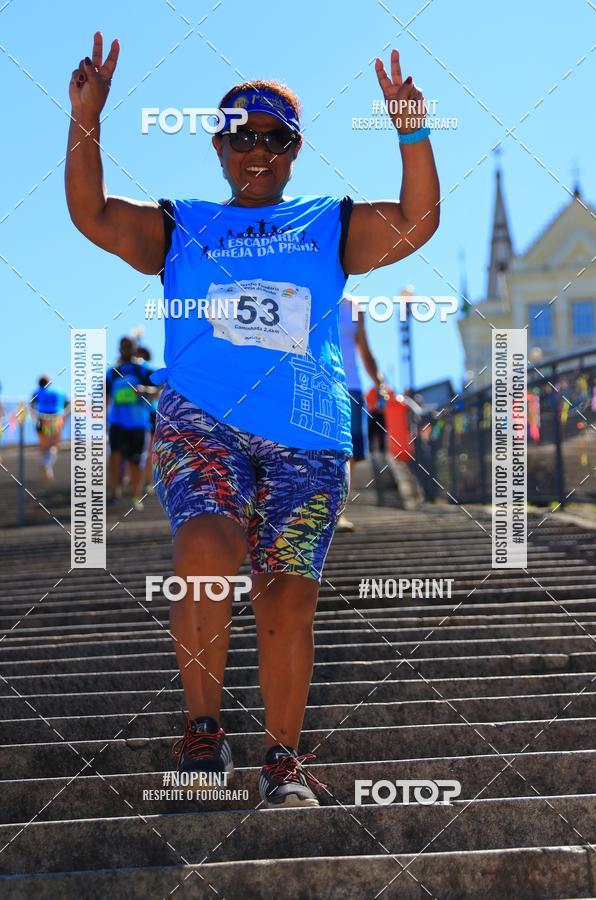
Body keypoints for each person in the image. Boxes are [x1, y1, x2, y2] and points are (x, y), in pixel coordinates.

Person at [66, 32, 440, 807]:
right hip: (204, 420)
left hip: (306, 433)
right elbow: (93, 216)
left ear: (295, 149)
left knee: (286, 593)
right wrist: (86, 121)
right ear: (219, 144)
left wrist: (412, 131)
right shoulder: (184, 223)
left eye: (273, 138)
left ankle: (281, 760)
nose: (257, 151)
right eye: (242, 136)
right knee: (205, 547)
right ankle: (204, 731)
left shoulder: (327, 221)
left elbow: (416, 219)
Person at [338, 293, 386, 530]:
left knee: (352, 453)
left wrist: (377, 380)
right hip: (321, 384)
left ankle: (338, 512)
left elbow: (364, 349)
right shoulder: (312, 293)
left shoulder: (355, 307)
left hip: (352, 386)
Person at [106, 336, 155, 509]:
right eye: (123, 346)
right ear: (119, 349)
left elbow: (160, 388)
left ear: (135, 348)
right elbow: (105, 396)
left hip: (139, 423)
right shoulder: (112, 372)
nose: (126, 349)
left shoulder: (143, 370)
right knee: (115, 455)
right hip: (117, 421)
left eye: (129, 346)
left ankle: (135, 496)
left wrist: (145, 391)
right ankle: (115, 494)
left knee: (137, 461)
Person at [30, 377, 69, 480]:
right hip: (56, 419)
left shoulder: (37, 392)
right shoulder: (60, 391)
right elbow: (67, 405)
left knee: (44, 446)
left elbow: (32, 406)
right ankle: (47, 464)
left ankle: (47, 466)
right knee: (54, 445)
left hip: (42, 419)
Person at [136, 345, 161, 492]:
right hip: (139, 416)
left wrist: (145, 390)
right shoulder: (132, 371)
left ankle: (151, 480)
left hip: (152, 414)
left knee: (151, 449)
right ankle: (147, 480)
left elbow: (160, 388)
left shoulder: (150, 370)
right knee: (144, 450)